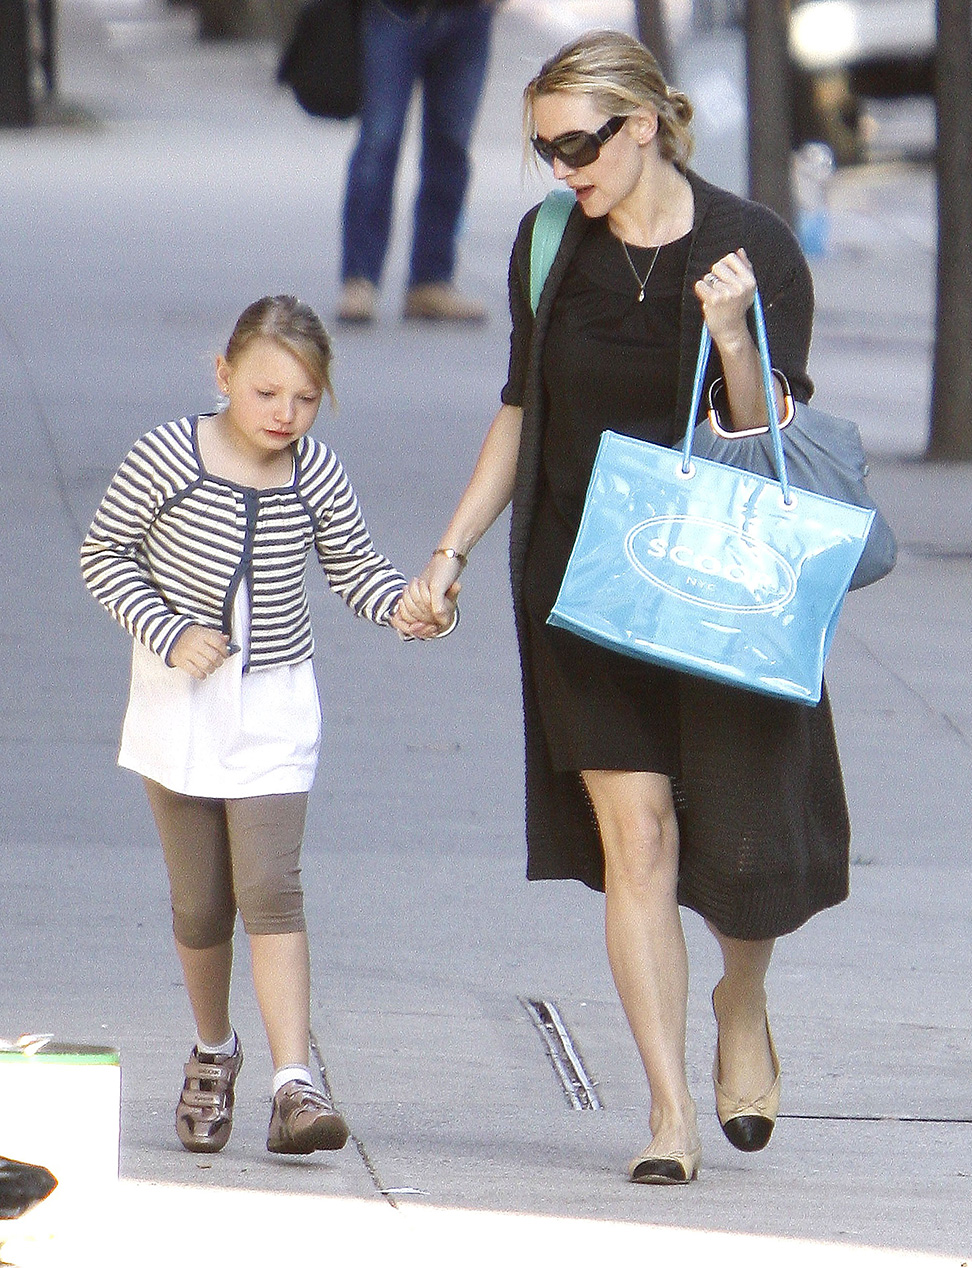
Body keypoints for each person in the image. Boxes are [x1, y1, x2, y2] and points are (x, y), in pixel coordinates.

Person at [397, 31, 851, 1184]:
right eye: (544, 148)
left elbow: (765, 435)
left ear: (643, 123)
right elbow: (520, 407)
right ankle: (666, 1114)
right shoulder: (550, 243)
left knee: (740, 850)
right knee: (636, 833)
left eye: (577, 143)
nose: (561, 169)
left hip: (717, 579)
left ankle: (738, 994)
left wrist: (735, 331)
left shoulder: (754, 244)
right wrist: (449, 551)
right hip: (584, 583)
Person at [81, 296, 454, 1157]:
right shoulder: (167, 454)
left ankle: (295, 1083)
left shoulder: (314, 472)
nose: (285, 414)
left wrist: (410, 608)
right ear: (223, 376)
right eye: (266, 393)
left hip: (276, 704)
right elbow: (104, 552)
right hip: (178, 705)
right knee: (201, 905)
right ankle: (214, 1049)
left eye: (306, 399)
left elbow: (355, 568)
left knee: (271, 891)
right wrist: (169, 629)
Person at [336, 0, 496, 325]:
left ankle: (431, 279)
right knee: (380, 142)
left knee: (451, 148)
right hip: (395, 11)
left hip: (469, 15)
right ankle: (359, 278)